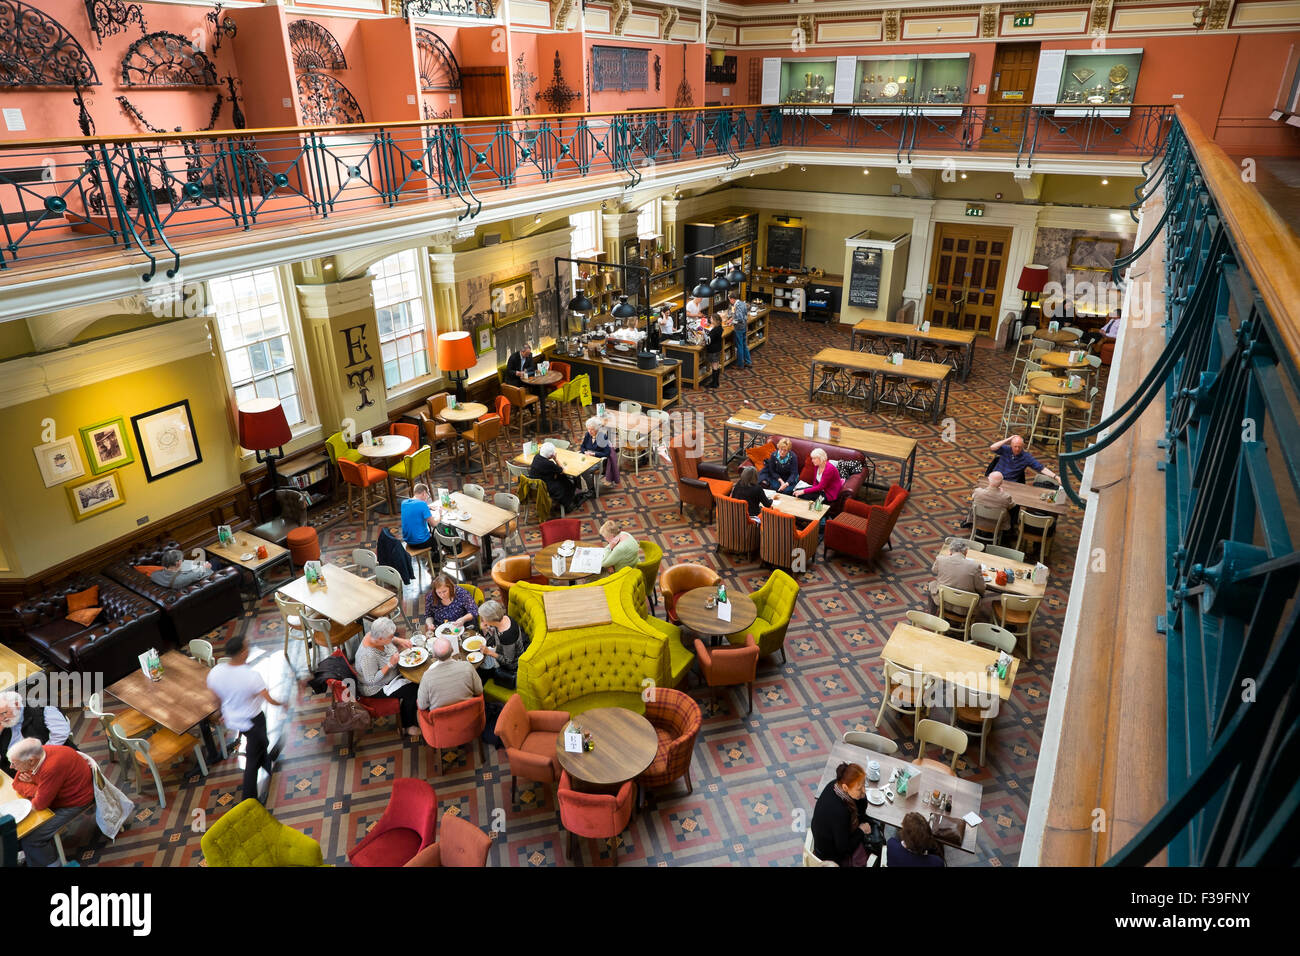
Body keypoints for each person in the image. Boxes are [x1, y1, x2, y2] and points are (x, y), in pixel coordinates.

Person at [207, 633, 287, 802]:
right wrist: (282, 703)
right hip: (253, 720)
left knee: (260, 743)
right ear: (243, 653)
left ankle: (266, 762)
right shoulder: (251, 676)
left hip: (232, 719)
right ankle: (249, 799)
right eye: (247, 646)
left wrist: (222, 712)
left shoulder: (216, 672)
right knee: (252, 759)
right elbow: (269, 699)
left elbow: (216, 697)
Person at [5, 737, 94, 867]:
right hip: (56, 798)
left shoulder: (51, 767)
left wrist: (34, 786)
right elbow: (16, 784)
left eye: (14, 763)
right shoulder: (36, 754)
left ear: (31, 761)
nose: (11, 767)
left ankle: (53, 864)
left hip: (74, 802)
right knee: (23, 828)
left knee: (32, 838)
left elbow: (40, 804)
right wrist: (38, 788)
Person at [352, 617, 420, 740]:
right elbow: (371, 680)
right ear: (380, 639)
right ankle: (408, 725)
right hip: (376, 687)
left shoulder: (373, 634)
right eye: (390, 637)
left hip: (392, 673)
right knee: (413, 690)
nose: (391, 638)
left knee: (416, 676)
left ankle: (416, 710)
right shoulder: (368, 656)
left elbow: (389, 637)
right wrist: (390, 664)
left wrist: (399, 640)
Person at [810, 761, 882, 867]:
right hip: (830, 856)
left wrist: (861, 795)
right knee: (875, 848)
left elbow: (861, 809)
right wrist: (861, 831)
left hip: (826, 837)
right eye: (859, 789)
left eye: (864, 785)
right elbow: (844, 849)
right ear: (845, 788)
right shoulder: (840, 813)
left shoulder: (835, 784)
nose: (864, 791)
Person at [0, 690, 70, 777]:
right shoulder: (6, 722)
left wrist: (36, 761)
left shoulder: (42, 708)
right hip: (14, 770)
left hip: (48, 765)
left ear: (17, 705)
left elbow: (60, 734)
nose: (2, 718)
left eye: (4, 713)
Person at [417, 637, 483, 711]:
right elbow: (479, 690)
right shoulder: (467, 667)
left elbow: (422, 705)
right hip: (469, 715)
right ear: (452, 650)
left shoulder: (427, 677)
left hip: (441, 720)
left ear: (434, 655)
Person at [477, 600, 529, 689]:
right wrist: (488, 629)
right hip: (501, 650)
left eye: (483, 618)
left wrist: (489, 652)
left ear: (490, 619)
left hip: (511, 666)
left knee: (480, 670)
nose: (482, 620)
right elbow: (498, 634)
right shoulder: (506, 618)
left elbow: (508, 662)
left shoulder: (507, 636)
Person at [929, 539, 986, 607]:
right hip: (965, 608)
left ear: (950, 551)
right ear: (966, 552)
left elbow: (934, 570)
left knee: (932, 584)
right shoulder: (975, 566)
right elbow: (981, 588)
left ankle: (932, 613)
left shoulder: (940, 559)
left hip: (943, 602)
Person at [529, 441, 582, 510]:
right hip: (544, 486)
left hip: (534, 483)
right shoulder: (549, 464)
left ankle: (571, 495)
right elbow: (562, 470)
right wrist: (556, 459)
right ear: (551, 455)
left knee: (562, 478)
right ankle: (567, 504)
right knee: (565, 482)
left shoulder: (537, 457)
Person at [988, 434, 1058, 485]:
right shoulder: (1006, 449)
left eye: (1019, 447)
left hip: (1010, 483)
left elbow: (1041, 468)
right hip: (995, 479)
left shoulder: (1026, 457)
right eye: (1015, 446)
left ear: (1023, 446)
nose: (1017, 449)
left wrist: (1056, 477)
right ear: (1011, 445)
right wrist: (1009, 439)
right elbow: (992, 447)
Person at [579, 417, 620, 490]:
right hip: (588, 458)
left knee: (584, 471)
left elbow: (606, 453)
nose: (589, 431)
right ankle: (578, 487)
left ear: (597, 429)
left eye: (592, 429)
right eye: (588, 429)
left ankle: (591, 489)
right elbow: (582, 446)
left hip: (599, 461)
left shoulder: (602, 437)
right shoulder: (587, 435)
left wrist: (594, 454)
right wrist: (584, 451)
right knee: (577, 467)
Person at [728, 290, 752, 369]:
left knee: (739, 346)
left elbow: (739, 318)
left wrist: (732, 323)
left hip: (739, 328)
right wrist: (731, 319)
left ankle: (740, 365)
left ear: (732, 299)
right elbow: (741, 315)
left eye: (729, 299)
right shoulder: (742, 303)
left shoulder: (737, 306)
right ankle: (748, 362)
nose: (730, 301)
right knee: (744, 345)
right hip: (744, 326)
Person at [702, 313, 724, 389]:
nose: (710, 320)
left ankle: (714, 383)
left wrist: (704, 334)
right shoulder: (719, 328)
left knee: (714, 366)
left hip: (713, 350)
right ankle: (716, 382)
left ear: (714, 320)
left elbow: (708, 341)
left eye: (711, 319)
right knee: (716, 365)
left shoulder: (715, 330)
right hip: (718, 348)